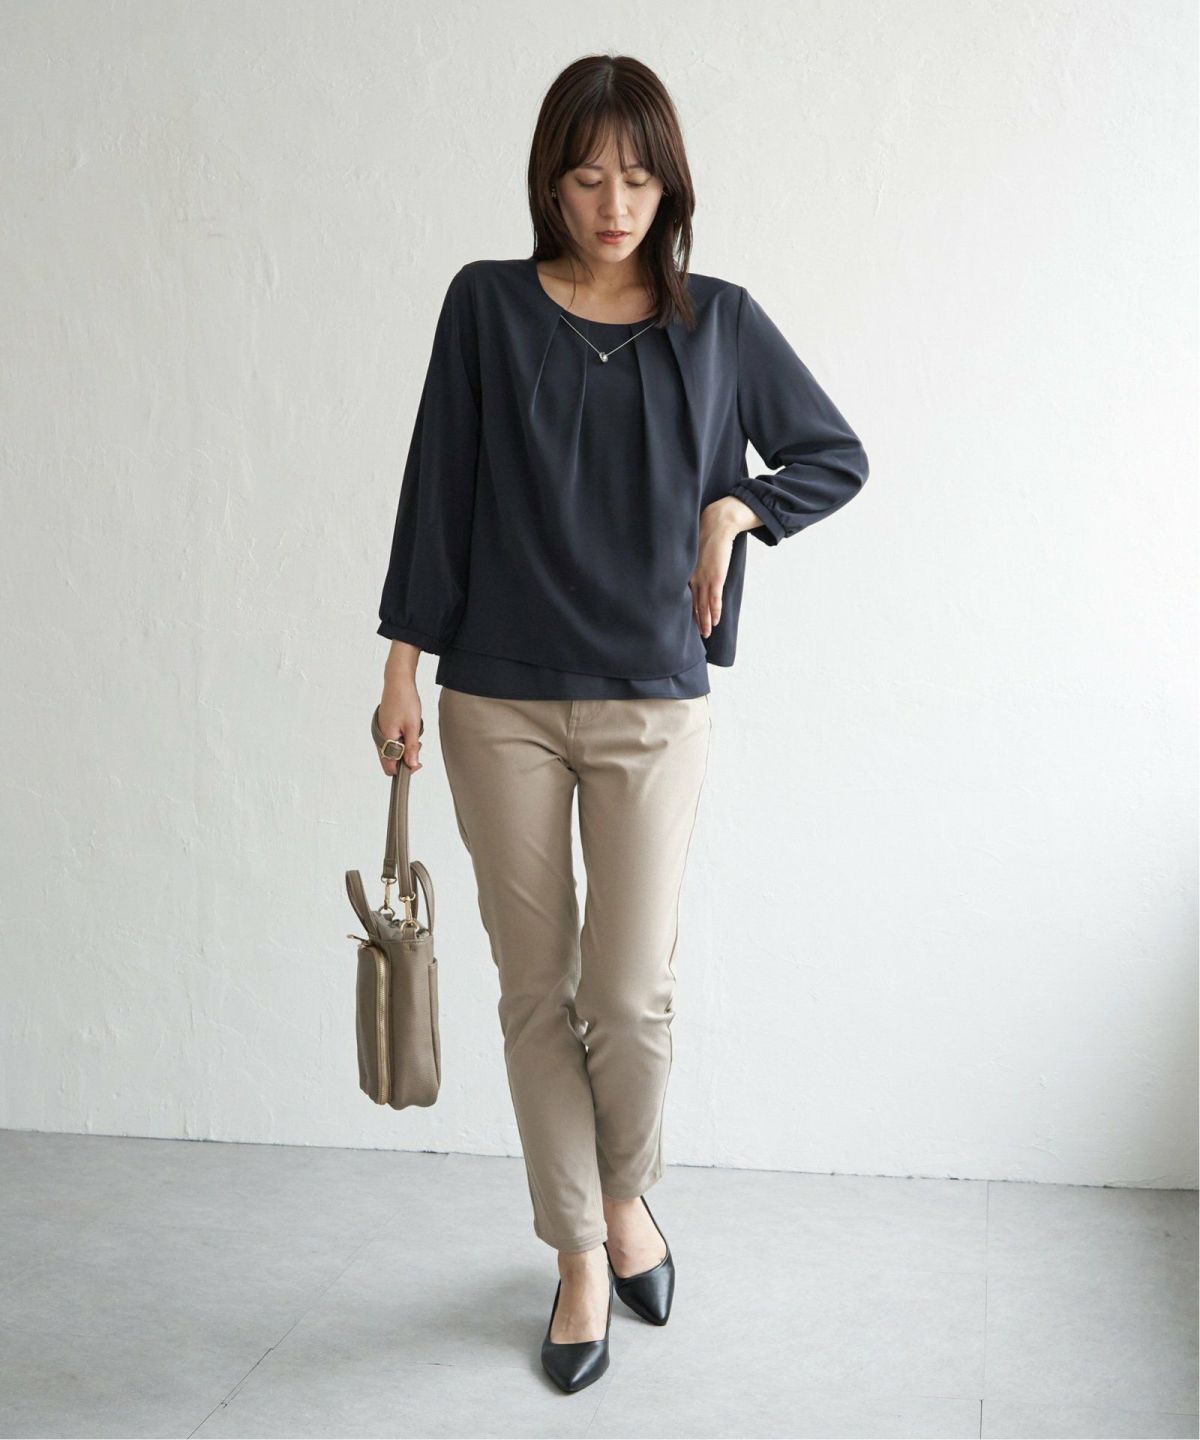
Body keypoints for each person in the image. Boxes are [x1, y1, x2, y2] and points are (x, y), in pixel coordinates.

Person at [372, 54, 869, 1394]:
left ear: (671, 187)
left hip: (653, 702)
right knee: (536, 990)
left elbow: (834, 454)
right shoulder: (485, 307)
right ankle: (582, 1250)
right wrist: (402, 669)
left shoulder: (721, 324)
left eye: (638, 180)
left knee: (629, 996)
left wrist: (738, 507)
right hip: (496, 700)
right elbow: (436, 492)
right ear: (550, 182)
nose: (612, 206)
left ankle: (623, 1190)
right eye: (588, 178)